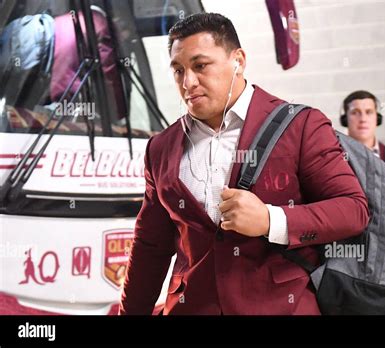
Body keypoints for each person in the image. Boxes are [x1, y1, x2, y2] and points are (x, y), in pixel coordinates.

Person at [120, 13, 369, 315]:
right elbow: (150, 248)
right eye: (178, 70)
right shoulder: (160, 148)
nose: (188, 82)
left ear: (238, 60)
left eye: (200, 66)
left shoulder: (301, 125)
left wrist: (270, 220)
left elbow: (353, 210)